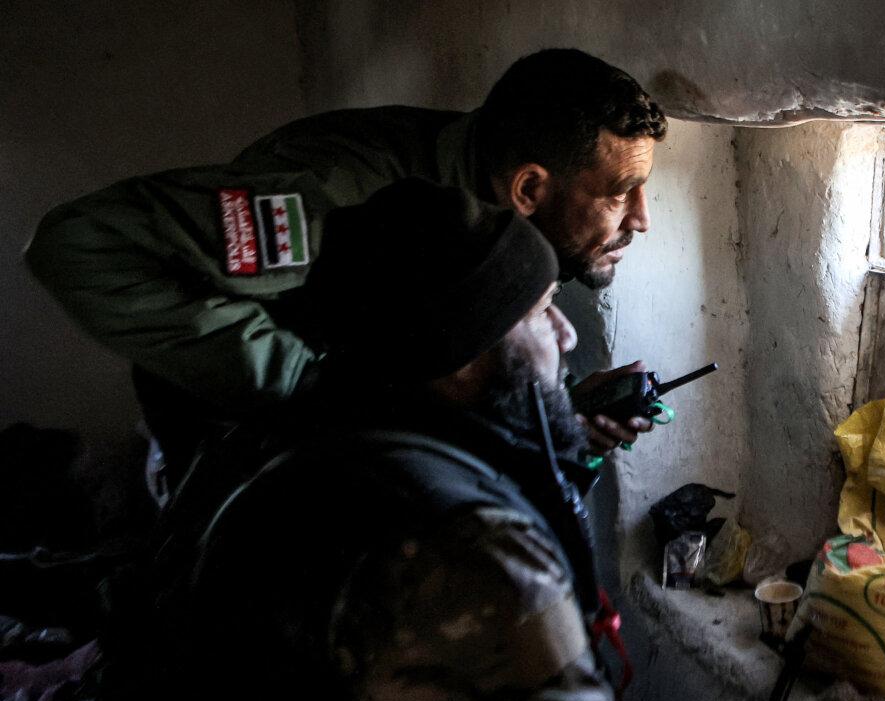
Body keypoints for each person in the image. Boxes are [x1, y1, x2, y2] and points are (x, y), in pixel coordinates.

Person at [87, 178, 696, 701]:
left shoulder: (304, 436)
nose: (566, 336)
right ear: (462, 354)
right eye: (541, 312)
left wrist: (563, 437)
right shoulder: (459, 548)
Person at [24, 49, 667, 486]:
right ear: (528, 189)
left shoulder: (501, 200)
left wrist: (550, 403)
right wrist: (305, 384)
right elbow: (81, 245)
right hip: (251, 464)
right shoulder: (340, 197)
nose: (641, 219)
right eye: (621, 194)